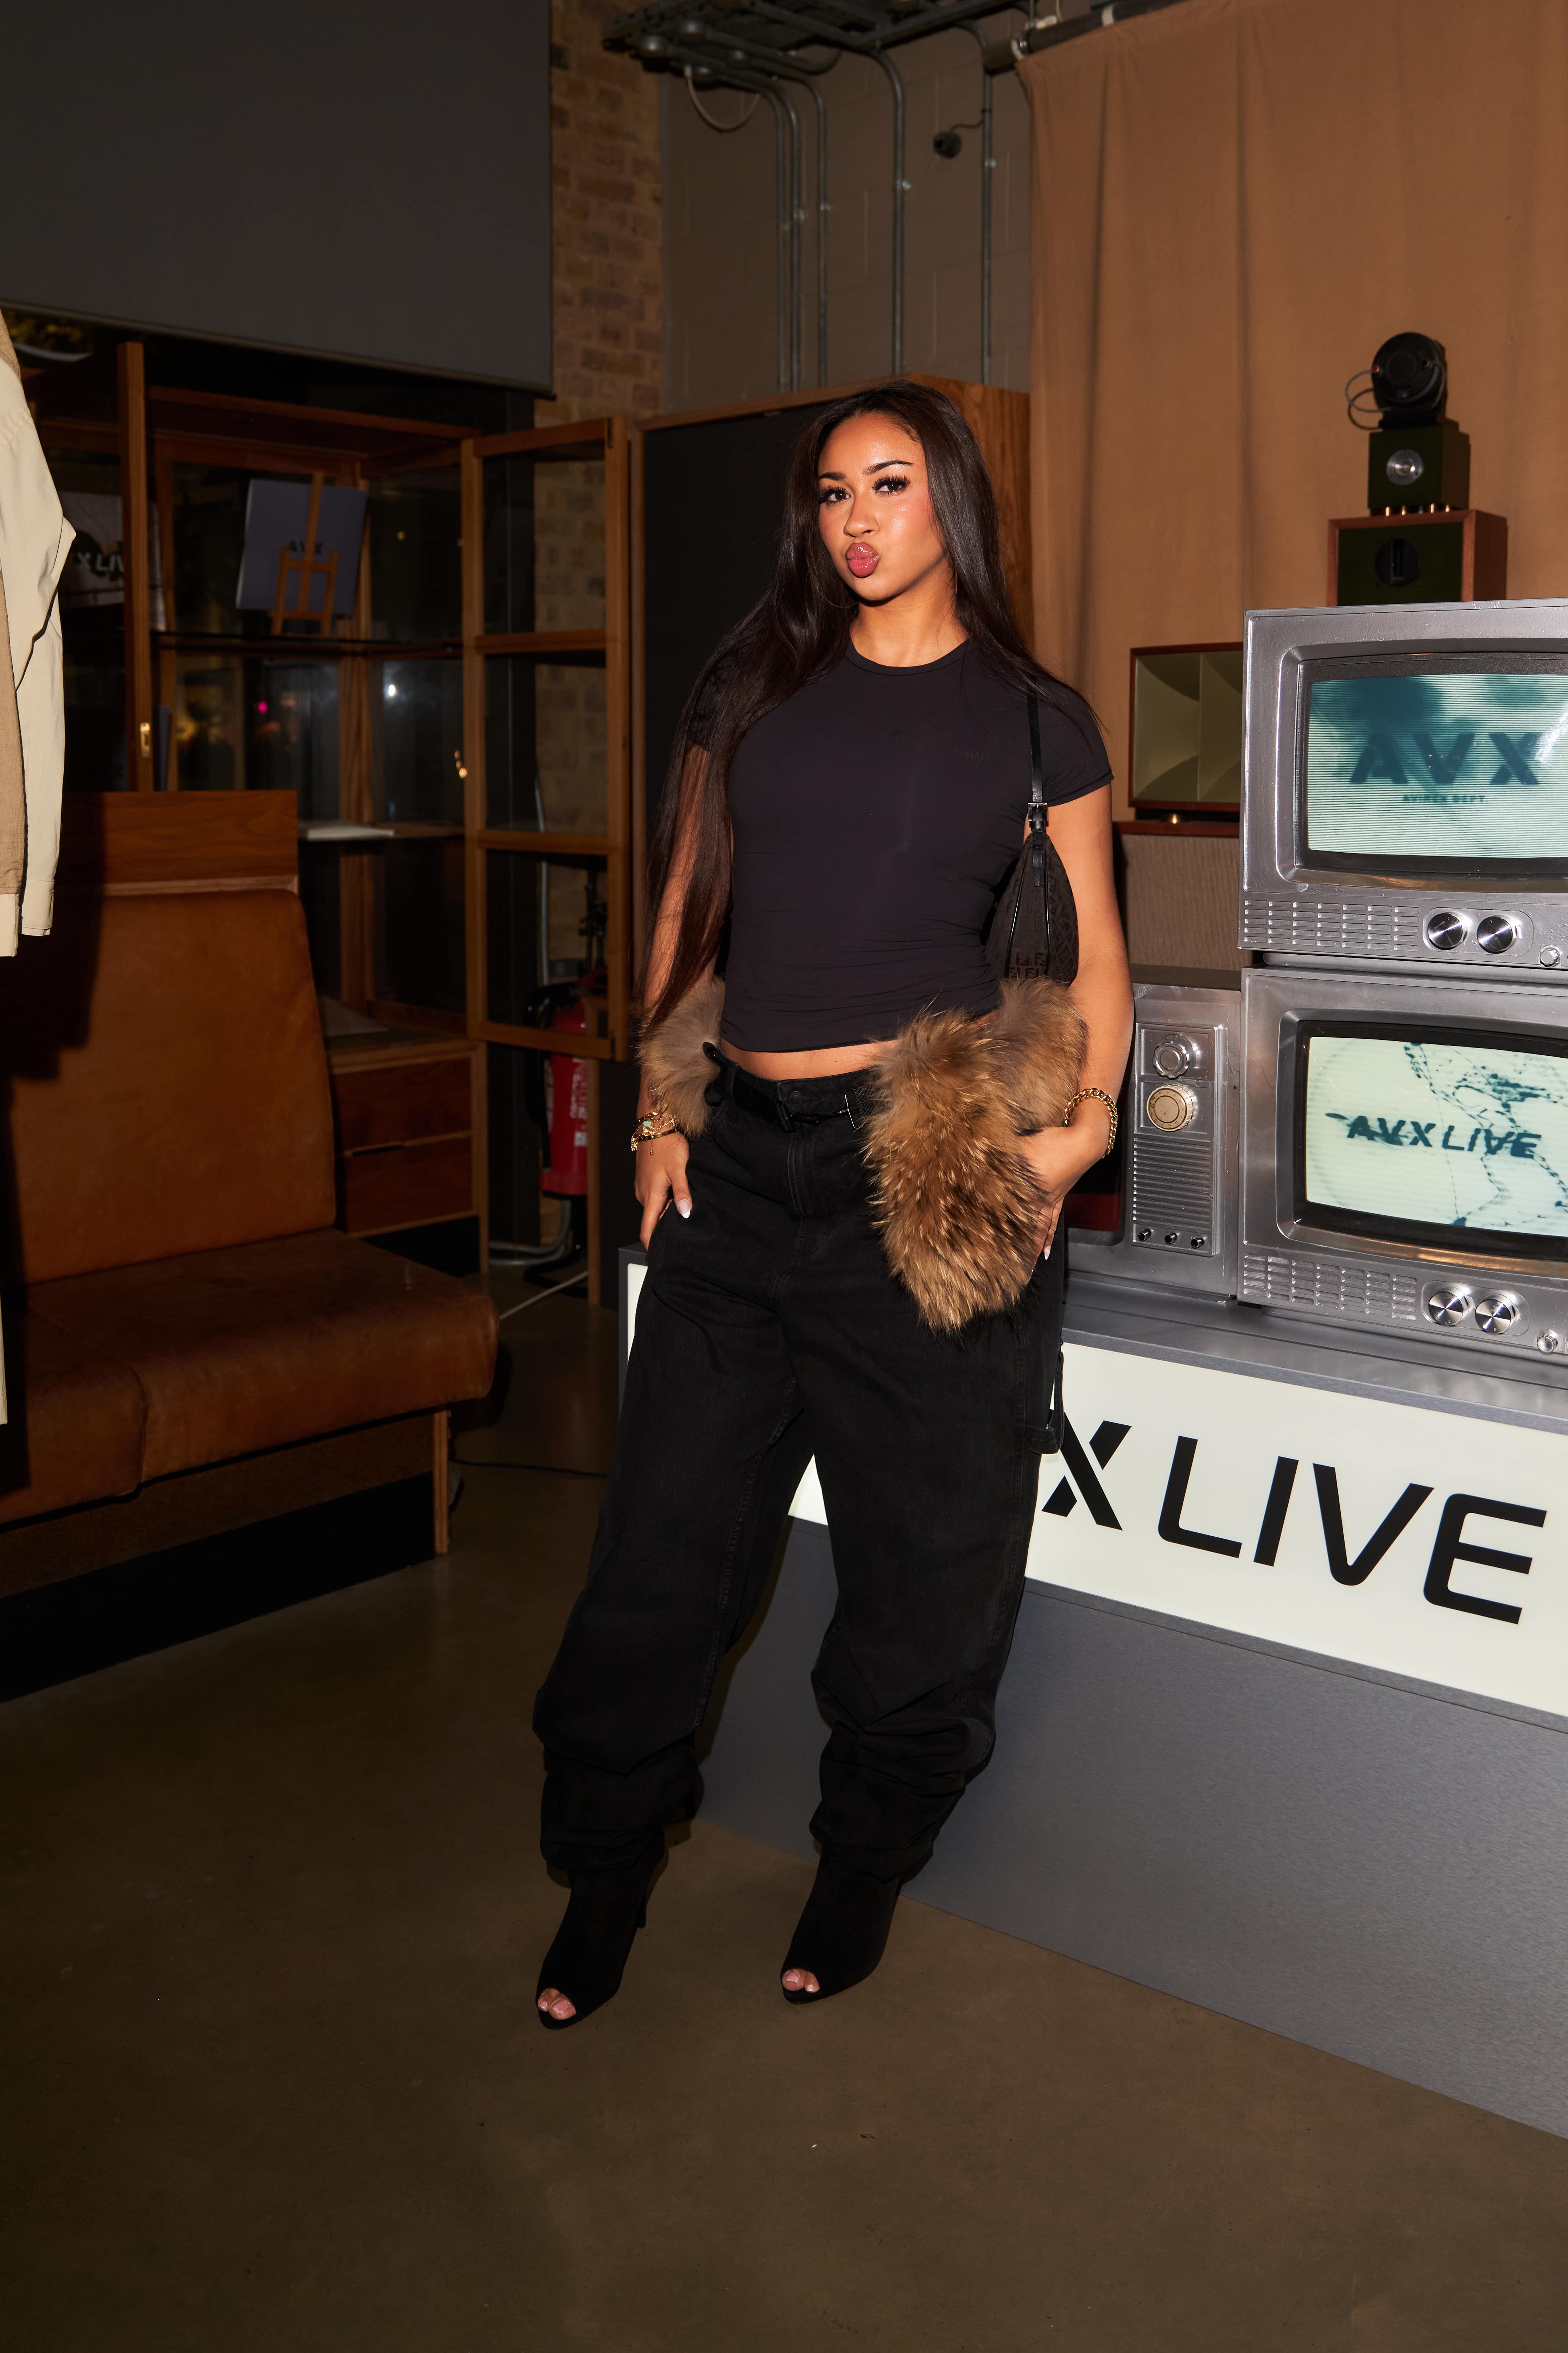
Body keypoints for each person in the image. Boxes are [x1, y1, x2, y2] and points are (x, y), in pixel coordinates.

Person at [532, 381, 1133, 2027]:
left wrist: (1073, 1139)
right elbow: (685, 913)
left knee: (924, 1566)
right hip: (738, 1169)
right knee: (659, 1557)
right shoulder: (756, 688)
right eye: (831, 492)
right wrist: (660, 1101)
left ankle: (862, 1857)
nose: (856, 518)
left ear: (952, 502)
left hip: (919, 1167)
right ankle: (601, 1870)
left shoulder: (1035, 719)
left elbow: (1094, 957)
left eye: (890, 483)